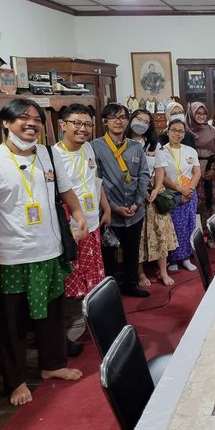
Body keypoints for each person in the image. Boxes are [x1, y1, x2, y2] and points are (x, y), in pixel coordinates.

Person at [0, 99, 87, 406]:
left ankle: (52, 365)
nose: (31, 123)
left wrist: (78, 213)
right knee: (12, 323)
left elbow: (66, 189)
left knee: (52, 314)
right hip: (11, 255)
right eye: (23, 118)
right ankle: (17, 380)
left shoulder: (48, 155)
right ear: (5, 123)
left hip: (50, 251)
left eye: (36, 118)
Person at [53, 103, 109, 356]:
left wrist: (105, 206)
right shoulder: (52, 156)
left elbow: (94, 180)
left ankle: (88, 324)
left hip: (92, 222)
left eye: (87, 124)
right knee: (70, 281)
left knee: (92, 277)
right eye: (76, 123)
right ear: (62, 125)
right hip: (70, 230)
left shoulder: (88, 148)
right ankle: (67, 333)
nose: (82, 128)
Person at [93, 103, 151, 298]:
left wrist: (137, 203)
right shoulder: (95, 147)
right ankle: (109, 291)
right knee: (108, 253)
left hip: (135, 210)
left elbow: (144, 176)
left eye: (122, 117)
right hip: (110, 212)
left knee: (132, 250)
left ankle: (131, 285)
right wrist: (113, 207)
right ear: (105, 121)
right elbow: (97, 180)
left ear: (128, 121)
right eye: (113, 117)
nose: (118, 121)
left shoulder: (136, 147)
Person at [126, 109, 178, 286]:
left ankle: (163, 272)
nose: (141, 123)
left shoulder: (153, 145)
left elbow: (160, 169)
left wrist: (156, 189)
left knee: (160, 232)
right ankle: (140, 273)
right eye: (138, 119)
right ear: (131, 120)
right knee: (138, 236)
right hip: (132, 196)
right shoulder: (123, 143)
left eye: (146, 121)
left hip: (154, 195)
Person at [161, 117, 201, 272]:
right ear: (168, 131)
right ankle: (173, 259)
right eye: (174, 130)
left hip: (190, 193)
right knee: (174, 227)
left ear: (184, 134)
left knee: (189, 225)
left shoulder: (190, 151)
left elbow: (197, 172)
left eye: (181, 131)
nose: (177, 134)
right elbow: (162, 176)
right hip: (171, 195)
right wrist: (180, 190)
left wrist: (189, 190)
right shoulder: (161, 151)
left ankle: (186, 258)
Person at [186, 101, 215, 228]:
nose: (201, 116)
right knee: (197, 205)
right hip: (192, 175)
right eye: (198, 113)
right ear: (191, 114)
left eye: (204, 114)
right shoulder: (185, 131)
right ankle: (197, 235)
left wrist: (214, 169)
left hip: (211, 173)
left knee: (212, 203)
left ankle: (213, 233)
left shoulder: (211, 130)